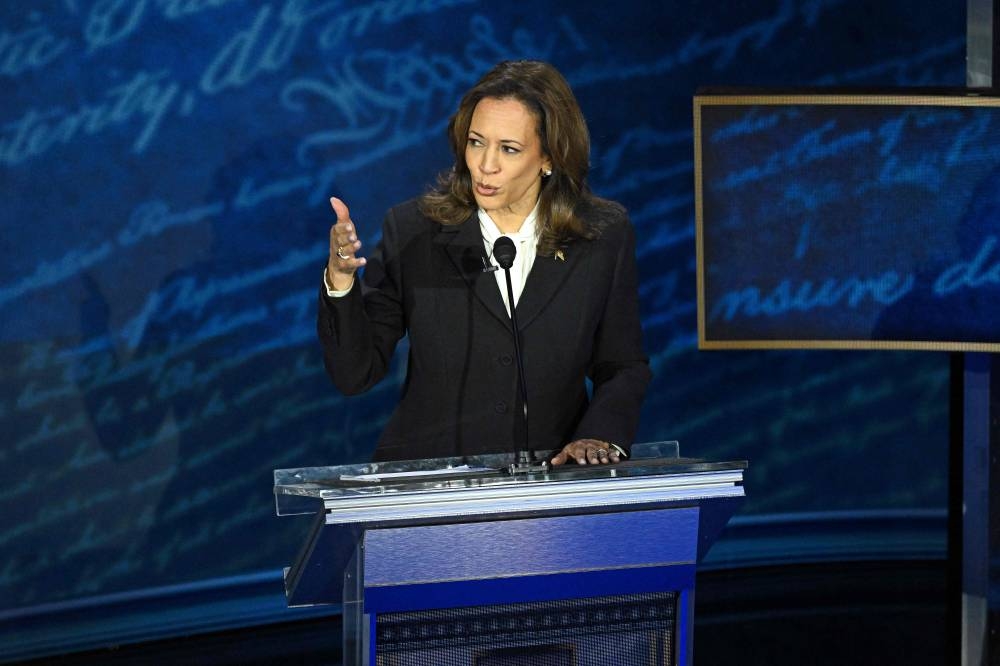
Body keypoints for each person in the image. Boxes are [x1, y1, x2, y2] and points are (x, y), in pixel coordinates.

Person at [317, 60, 651, 465]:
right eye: (476, 143)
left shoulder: (600, 234)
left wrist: (599, 436)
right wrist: (341, 281)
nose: (485, 165)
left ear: (549, 157)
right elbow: (355, 374)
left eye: (508, 149)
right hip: (432, 480)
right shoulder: (414, 231)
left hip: (551, 478)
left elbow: (622, 364)